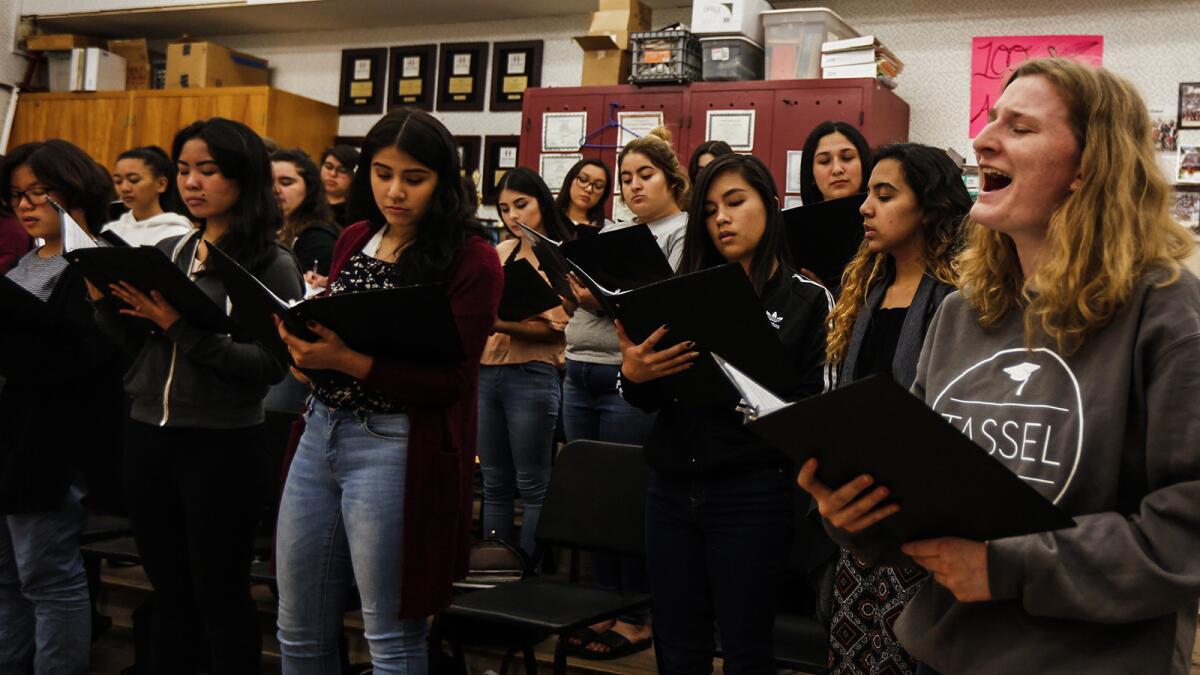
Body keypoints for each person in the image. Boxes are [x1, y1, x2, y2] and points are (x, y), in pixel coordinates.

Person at [800, 57, 1200, 675]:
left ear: (1089, 165)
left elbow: (1186, 533)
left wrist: (1009, 566)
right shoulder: (963, 313)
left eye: (1020, 127)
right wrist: (859, 516)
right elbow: (928, 498)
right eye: (990, 121)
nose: (982, 140)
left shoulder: (1167, 310)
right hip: (940, 654)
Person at [273, 108, 502, 673]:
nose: (394, 192)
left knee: (391, 638)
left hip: (397, 443)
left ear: (445, 180)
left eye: (414, 178)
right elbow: (338, 339)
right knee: (296, 628)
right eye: (381, 173)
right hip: (320, 429)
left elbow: (451, 381)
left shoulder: (472, 258)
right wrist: (307, 355)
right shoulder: (355, 235)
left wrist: (347, 360)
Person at [90, 117, 304, 675]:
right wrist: (104, 303)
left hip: (220, 443)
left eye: (207, 170)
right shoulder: (173, 247)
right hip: (147, 433)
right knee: (167, 590)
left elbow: (268, 366)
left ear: (243, 175)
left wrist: (180, 326)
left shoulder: (270, 262)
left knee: (219, 592)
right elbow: (142, 349)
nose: (192, 182)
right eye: (184, 170)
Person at [617, 152, 831, 673]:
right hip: (670, 486)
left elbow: (814, 409)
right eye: (710, 210)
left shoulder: (808, 299)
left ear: (772, 206)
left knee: (745, 645)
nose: (722, 220)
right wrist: (634, 374)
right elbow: (648, 394)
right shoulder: (682, 291)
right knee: (677, 642)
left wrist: (752, 399)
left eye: (736, 203)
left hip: (752, 490)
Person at [821, 143, 972, 674]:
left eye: (884, 195)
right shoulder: (865, 287)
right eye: (868, 195)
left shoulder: (965, 294)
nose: (865, 207)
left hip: (928, 519)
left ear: (929, 208)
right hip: (864, 514)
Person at [562, 127, 688, 659]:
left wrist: (607, 300)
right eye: (628, 177)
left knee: (626, 494)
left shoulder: (681, 232)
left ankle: (636, 614)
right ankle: (602, 605)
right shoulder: (616, 230)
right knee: (594, 494)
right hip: (581, 367)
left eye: (646, 175)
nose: (634, 186)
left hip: (630, 375)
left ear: (672, 179)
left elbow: (666, 306)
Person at [0, 139, 124, 675]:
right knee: (6, 576)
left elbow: (90, 356)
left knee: (47, 577)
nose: (26, 206)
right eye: (17, 196)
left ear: (72, 189)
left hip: (53, 441)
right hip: (11, 433)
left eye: (39, 192)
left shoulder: (97, 259)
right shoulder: (27, 260)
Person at [478, 167, 572, 558]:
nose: (513, 217)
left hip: (532, 373)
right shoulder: (500, 252)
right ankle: (496, 570)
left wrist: (496, 320)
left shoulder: (558, 253)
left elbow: (555, 328)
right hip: (488, 371)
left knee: (532, 482)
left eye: (522, 205)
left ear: (541, 204)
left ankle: (531, 572)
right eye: (504, 209)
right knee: (495, 481)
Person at [103, 145, 194, 246]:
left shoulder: (178, 233)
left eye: (134, 180)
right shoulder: (111, 230)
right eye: (118, 181)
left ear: (161, 184)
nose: (124, 188)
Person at [273, 148, 340, 277]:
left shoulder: (318, 239)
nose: (275, 190)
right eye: (268, 182)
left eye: (286, 182)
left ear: (309, 188)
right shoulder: (270, 226)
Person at [799, 121, 873, 205]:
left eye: (847, 157)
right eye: (825, 161)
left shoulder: (886, 217)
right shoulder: (792, 218)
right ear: (811, 174)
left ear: (864, 164)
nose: (837, 169)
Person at [555, 157, 612, 239]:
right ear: (570, 180)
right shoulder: (548, 219)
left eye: (598, 186)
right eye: (583, 180)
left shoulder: (608, 228)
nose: (589, 189)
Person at [320, 144, 360, 229]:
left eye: (342, 170)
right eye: (328, 167)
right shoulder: (308, 201)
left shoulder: (356, 213)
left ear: (354, 176)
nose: (333, 174)